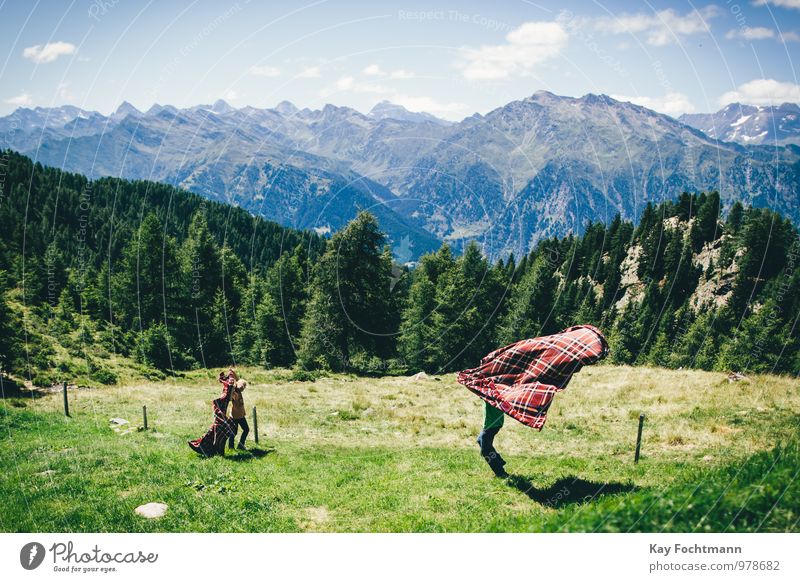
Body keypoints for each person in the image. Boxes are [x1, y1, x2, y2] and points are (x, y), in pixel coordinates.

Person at [457, 325, 609, 477]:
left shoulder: (491, 387)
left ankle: (500, 471)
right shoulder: (490, 388)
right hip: (492, 422)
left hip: (493, 423)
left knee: (485, 443)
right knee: (484, 444)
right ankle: (500, 470)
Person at [188, 368, 238, 457]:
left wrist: (231, 375)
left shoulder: (226, 397)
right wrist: (231, 375)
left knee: (218, 435)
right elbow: (218, 410)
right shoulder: (224, 397)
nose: (233, 394)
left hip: (220, 421)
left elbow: (232, 385)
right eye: (232, 391)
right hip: (219, 421)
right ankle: (217, 453)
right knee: (219, 436)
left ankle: (215, 452)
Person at [228, 379, 250, 450]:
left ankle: (240, 445)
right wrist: (232, 387)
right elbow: (230, 398)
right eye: (243, 387)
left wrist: (233, 371)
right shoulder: (235, 393)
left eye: (244, 387)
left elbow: (238, 379)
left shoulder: (239, 392)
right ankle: (231, 447)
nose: (244, 388)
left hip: (241, 416)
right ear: (239, 386)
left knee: (246, 429)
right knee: (234, 432)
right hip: (234, 417)